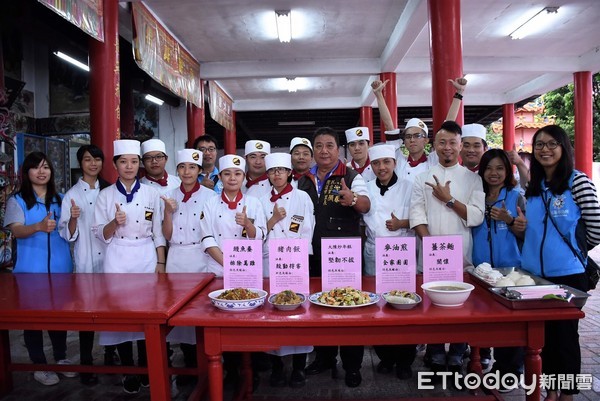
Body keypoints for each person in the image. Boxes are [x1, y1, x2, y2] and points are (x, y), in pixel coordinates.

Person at [521, 125, 600, 401]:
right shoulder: (534, 186)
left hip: (568, 275)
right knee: (545, 338)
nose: (545, 149)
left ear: (564, 148)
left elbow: (597, 228)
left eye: (552, 144)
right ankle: (551, 390)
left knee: (565, 338)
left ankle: (566, 395)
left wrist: (572, 252)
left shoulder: (578, 182)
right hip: (534, 277)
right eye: (539, 145)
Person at [409, 121, 485, 375]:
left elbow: (476, 216)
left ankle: (457, 352)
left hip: (462, 254)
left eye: (453, 142)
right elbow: (417, 215)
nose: (447, 147)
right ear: (435, 145)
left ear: (460, 146)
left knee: (460, 304)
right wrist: (432, 247)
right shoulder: (421, 178)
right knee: (432, 305)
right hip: (430, 252)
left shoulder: (473, 179)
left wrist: (449, 200)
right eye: (442, 142)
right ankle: (435, 351)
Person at [93, 139, 167, 394]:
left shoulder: (151, 194)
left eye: (134, 161)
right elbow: (99, 233)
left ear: (139, 165)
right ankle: (129, 370)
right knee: (122, 317)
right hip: (117, 257)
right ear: (115, 165)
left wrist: (160, 262)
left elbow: (158, 231)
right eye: (123, 162)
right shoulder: (105, 196)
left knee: (148, 314)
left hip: (145, 256)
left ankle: (147, 367)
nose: (129, 166)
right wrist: (114, 222)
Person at [304, 127, 370, 388]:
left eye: (329, 145)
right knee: (319, 308)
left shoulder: (351, 175)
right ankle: (324, 358)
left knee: (350, 310)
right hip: (313, 256)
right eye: (318, 145)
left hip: (344, 257)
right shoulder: (304, 179)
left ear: (339, 150)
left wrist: (352, 198)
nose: (323, 151)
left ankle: (352, 366)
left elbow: (365, 204)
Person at [4, 151, 74, 386]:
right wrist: (38, 226)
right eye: (36, 168)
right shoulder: (17, 200)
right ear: (27, 173)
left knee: (59, 317)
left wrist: (73, 218)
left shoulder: (61, 198)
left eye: (46, 167)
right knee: (32, 320)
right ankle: (39, 365)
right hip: (29, 271)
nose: (42, 171)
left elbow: (69, 231)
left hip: (61, 269)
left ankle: (61, 358)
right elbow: (16, 230)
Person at [162, 148, 217, 386]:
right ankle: (188, 362)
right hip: (176, 257)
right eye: (183, 167)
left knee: (203, 311)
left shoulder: (210, 196)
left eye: (192, 167)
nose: (187, 172)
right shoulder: (167, 195)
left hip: (201, 256)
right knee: (180, 313)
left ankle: (206, 362)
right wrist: (167, 212)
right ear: (177, 170)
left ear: (198, 170)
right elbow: (164, 234)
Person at [260, 153, 314, 388]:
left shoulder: (302, 197)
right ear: (268, 175)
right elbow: (258, 232)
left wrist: (295, 254)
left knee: (299, 311)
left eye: (282, 170)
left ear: (290, 172)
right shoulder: (260, 199)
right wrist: (272, 220)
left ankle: (299, 367)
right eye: (273, 171)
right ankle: (277, 367)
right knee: (273, 313)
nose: (277, 174)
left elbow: (308, 229)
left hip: (296, 261)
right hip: (271, 262)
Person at [362, 144, 416, 380]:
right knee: (378, 307)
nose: (381, 168)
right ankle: (385, 356)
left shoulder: (409, 187)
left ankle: (405, 360)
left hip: (402, 252)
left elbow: (421, 215)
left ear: (394, 163)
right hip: (374, 253)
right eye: (376, 163)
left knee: (403, 308)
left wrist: (402, 223)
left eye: (386, 162)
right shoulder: (365, 189)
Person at [471, 148, 527, 376]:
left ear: (508, 170)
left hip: (510, 272)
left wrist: (509, 219)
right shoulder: (474, 196)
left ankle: (508, 370)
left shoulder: (515, 196)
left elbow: (526, 235)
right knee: (482, 320)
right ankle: (481, 358)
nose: (494, 173)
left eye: (500, 168)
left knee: (511, 325)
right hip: (480, 271)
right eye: (489, 168)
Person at [58, 144, 110, 385]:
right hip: (87, 259)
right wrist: (74, 220)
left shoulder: (110, 190)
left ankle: (111, 356)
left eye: (97, 159)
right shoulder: (71, 195)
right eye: (88, 159)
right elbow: (68, 234)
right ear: (81, 163)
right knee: (87, 314)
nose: (93, 164)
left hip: (111, 258)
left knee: (114, 311)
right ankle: (87, 363)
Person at [373, 77, 466, 182]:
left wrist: (459, 92)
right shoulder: (398, 160)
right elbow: (389, 126)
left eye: (417, 136)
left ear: (426, 140)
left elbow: (449, 123)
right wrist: (379, 95)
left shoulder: (434, 159)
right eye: (408, 136)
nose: (412, 140)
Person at [199, 154, 267, 277]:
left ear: (244, 177)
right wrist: (230, 264)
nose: (232, 178)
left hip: (248, 268)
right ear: (219, 177)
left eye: (237, 174)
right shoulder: (210, 203)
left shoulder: (254, 203)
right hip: (218, 269)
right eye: (227, 174)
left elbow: (260, 237)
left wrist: (247, 224)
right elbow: (207, 239)